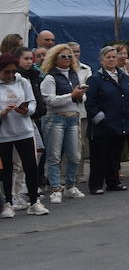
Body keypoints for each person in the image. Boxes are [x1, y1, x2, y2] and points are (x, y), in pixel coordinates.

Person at [85, 45, 129, 195]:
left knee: (115, 156)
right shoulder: (94, 79)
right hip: (102, 127)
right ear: (101, 60)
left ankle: (113, 182)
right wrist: (101, 118)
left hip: (120, 124)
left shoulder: (124, 77)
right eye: (108, 57)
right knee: (99, 157)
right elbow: (90, 103)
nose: (112, 59)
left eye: (114, 56)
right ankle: (96, 185)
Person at [0, 54, 47, 217]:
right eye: (7, 72)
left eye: (13, 71)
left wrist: (27, 110)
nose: (11, 75)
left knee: (30, 167)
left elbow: (32, 102)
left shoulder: (22, 81)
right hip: (3, 134)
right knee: (6, 170)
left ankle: (34, 202)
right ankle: (8, 203)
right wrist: (2, 113)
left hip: (24, 131)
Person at [39, 44, 86, 204]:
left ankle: (70, 185)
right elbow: (49, 100)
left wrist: (79, 96)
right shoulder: (49, 77)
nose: (67, 59)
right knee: (54, 156)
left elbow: (81, 97)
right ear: (54, 58)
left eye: (69, 56)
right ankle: (55, 188)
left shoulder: (74, 75)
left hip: (73, 117)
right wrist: (72, 95)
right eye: (63, 56)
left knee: (74, 155)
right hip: (55, 118)